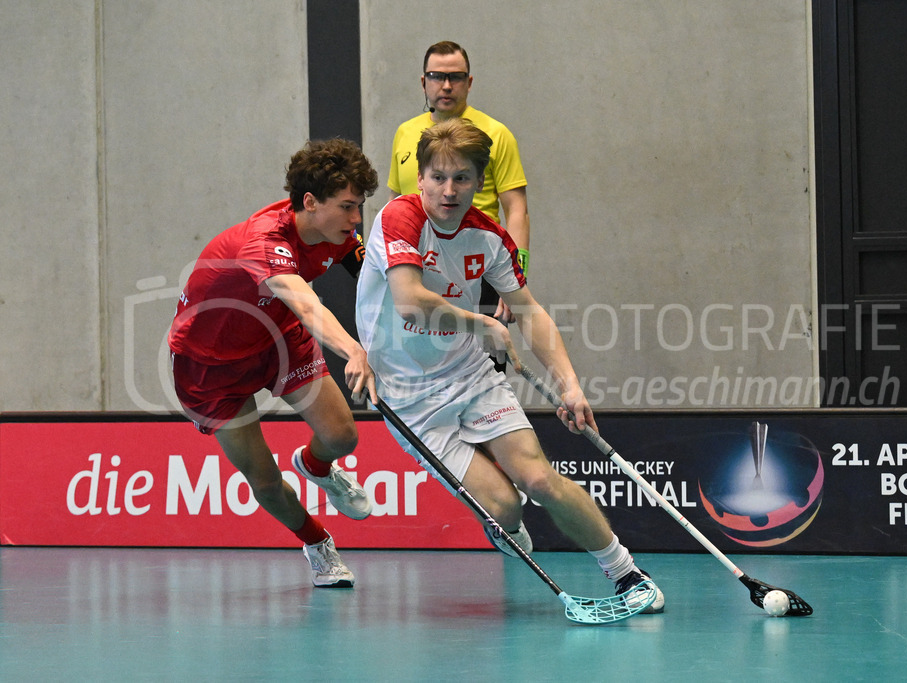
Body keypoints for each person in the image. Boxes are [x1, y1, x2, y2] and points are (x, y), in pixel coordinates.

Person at [357, 118, 665, 613]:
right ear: (420, 179)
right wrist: (484, 326)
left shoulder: (489, 237)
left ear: (480, 184)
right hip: (407, 398)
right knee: (502, 506)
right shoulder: (398, 219)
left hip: (469, 376)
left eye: (462, 178)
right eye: (438, 177)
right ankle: (509, 525)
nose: (449, 189)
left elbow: (529, 310)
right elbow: (410, 299)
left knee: (540, 478)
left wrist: (570, 386)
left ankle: (625, 571)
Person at [168, 138, 380, 588]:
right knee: (264, 481)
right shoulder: (264, 241)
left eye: (359, 206)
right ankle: (317, 542)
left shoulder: (337, 234)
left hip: (277, 340)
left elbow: (377, 281)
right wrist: (354, 349)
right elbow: (305, 304)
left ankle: (316, 466)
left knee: (342, 435)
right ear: (310, 202)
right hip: (211, 368)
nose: (357, 219)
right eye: (347, 206)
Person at [388, 40, 530, 331]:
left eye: (456, 76)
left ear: (470, 82)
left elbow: (517, 210)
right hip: (416, 268)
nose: (447, 85)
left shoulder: (496, 134)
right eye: (437, 76)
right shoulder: (404, 133)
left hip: (478, 268)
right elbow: (394, 201)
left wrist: (517, 278)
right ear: (423, 81)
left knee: (485, 361)